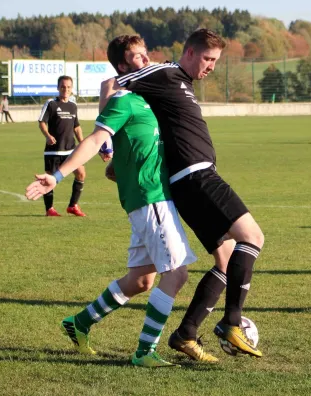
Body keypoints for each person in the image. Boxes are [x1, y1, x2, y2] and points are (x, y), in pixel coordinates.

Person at [25, 35, 197, 368]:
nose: (145, 60)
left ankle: (79, 324)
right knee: (176, 274)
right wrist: (57, 176)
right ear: (122, 66)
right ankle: (145, 351)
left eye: (146, 54)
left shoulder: (149, 98)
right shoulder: (125, 101)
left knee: (141, 281)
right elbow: (95, 140)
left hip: (147, 200)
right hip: (151, 199)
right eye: (137, 56)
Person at [101, 29, 264, 360]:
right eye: (208, 59)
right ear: (189, 53)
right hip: (197, 175)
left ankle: (186, 333)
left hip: (189, 182)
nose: (212, 67)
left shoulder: (180, 82)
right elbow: (113, 86)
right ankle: (232, 322)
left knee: (227, 257)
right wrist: (111, 147)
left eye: (216, 61)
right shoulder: (166, 72)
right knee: (253, 236)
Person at [37, 76, 86, 217]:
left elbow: (76, 126)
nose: (66, 89)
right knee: (49, 179)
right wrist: (47, 135)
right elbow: (41, 122)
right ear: (58, 88)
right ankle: (49, 209)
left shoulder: (73, 105)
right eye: (63, 87)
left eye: (69, 87)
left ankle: (72, 206)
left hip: (71, 149)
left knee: (81, 174)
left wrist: (82, 143)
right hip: (54, 150)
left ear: (72, 89)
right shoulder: (51, 103)